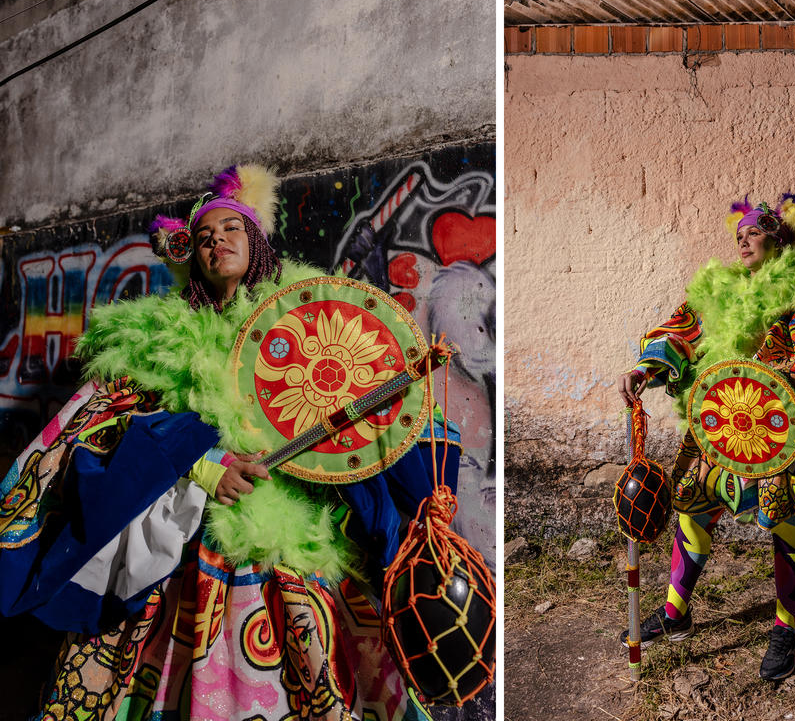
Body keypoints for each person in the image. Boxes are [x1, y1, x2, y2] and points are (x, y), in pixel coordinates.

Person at [0, 164, 460, 720]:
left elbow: (375, 414)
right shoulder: (154, 339)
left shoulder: (310, 320)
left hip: (296, 541)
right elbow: (113, 429)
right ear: (192, 257)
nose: (217, 240)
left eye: (231, 230)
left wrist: (413, 390)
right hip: (190, 547)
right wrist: (205, 468)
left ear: (256, 242)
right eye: (203, 237)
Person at [616, 194, 795, 680]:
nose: (743, 239)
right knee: (694, 504)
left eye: (754, 231)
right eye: (739, 234)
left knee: (782, 519)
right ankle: (675, 612)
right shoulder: (719, 290)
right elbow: (682, 330)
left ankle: (786, 627)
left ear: (779, 236)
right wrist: (646, 367)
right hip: (719, 423)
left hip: (780, 430)